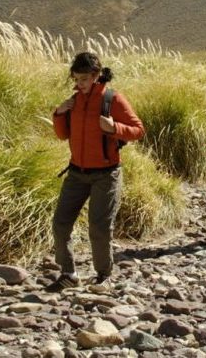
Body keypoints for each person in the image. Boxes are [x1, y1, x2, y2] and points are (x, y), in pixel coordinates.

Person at [46, 52, 144, 292]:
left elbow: (138, 130)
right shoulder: (74, 100)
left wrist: (114, 128)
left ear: (96, 76)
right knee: (60, 223)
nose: (79, 85)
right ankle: (69, 274)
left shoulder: (113, 99)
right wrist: (59, 113)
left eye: (84, 80)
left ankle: (103, 275)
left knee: (99, 228)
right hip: (76, 173)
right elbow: (63, 135)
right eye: (76, 80)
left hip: (106, 174)